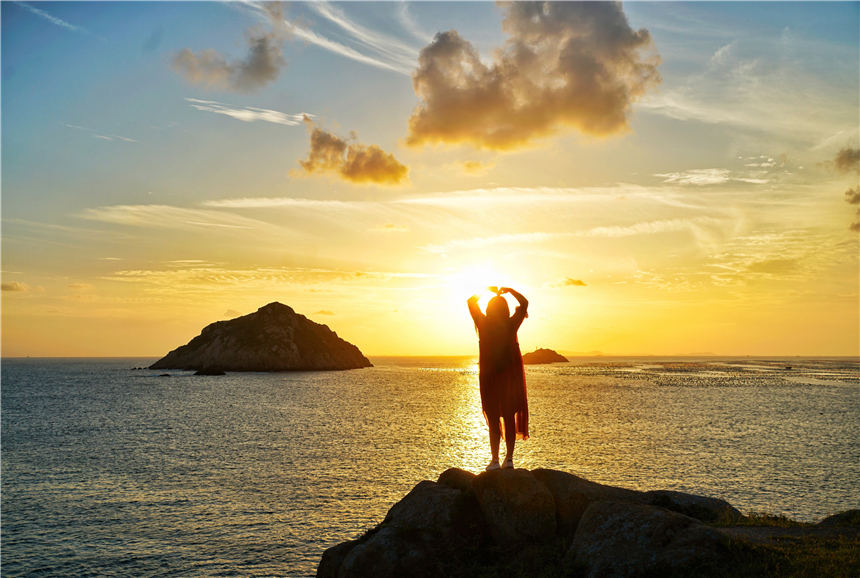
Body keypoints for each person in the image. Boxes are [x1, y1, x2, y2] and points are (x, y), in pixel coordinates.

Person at [467, 286, 529, 471]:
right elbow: (524, 303)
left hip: (489, 377)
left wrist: (486, 290)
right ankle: (509, 459)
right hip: (510, 377)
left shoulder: (483, 323)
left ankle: (495, 460)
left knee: (494, 417)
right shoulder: (511, 325)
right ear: (505, 310)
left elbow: (471, 302)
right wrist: (510, 292)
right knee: (509, 416)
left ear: (489, 309)